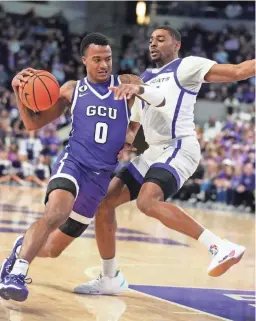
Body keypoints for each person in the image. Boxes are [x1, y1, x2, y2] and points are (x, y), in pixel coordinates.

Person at [73, 26, 254, 295]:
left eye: (161, 39)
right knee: (105, 203)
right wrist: (120, 141)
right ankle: (109, 277)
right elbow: (135, 127)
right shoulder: (145, 77)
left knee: (148, 201)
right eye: (151, 40)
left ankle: (220, 247)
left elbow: (238, 71)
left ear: (177, 45)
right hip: (154, 152)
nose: (153, 44)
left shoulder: (188, 66)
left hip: (179, 146)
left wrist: (137, 89)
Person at [0, 32, 164, 302]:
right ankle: (18, 273)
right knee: (56, 213)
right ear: (85, 60)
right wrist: (20, 91)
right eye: (97, 59)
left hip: (99, 179)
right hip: (73, 164)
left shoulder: (125, 84)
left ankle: (19, 249)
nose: (103, 65)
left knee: (53, 249)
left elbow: (153, 103)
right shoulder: (72, 90)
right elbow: (33, 124)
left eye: (108, 59)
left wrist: (135, 125)